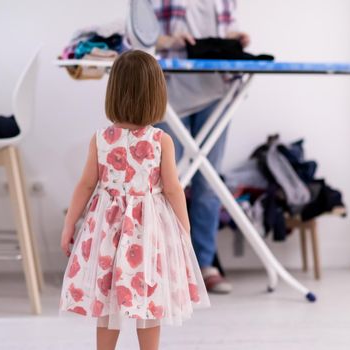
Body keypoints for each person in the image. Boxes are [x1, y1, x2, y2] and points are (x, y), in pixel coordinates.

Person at [59, 50, 210, 350]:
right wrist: (184, 230)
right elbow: (172, 189)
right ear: (156, 94)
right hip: (148, 233)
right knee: (148, 299)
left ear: (113, 92)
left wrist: (69, 225)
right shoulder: (160, 141)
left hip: (107, 233)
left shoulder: (101, 139)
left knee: (106, 299)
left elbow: (86, 185)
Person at [152, 0, 249, 294]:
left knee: (209, 180)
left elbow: (224, 27)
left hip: (216, 90)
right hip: (168, 90)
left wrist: (234, 39)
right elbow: (134, 39)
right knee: (165, 182)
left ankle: (203, 265)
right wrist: (169, 41)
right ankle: (163, 265)